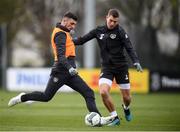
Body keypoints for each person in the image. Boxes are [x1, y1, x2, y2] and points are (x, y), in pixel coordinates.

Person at [8, 12, 114, 126]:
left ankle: (98, 119)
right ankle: (22, 97)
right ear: (64, 21)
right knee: (46, 96)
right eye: (72, 23)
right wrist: (69, 68)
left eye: (75, 24)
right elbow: (61, 56)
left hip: (70, 73)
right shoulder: (60, 34)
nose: (73, 26)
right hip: (61, 71)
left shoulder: (65, 32)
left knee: (88, 93)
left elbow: (71, 46)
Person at [74, 9, 143, 126]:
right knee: (103, 92)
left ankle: (126, 108)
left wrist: (136, 61)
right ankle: (114, 117)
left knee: (127, 97)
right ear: (107, 17)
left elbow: (129, 48)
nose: (112, 23)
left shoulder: (120, 32)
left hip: (121, 67)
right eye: (111, 20)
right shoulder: (98, 31)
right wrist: (70, 40)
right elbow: (82, 40)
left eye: (115, 22)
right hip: (107, 68)